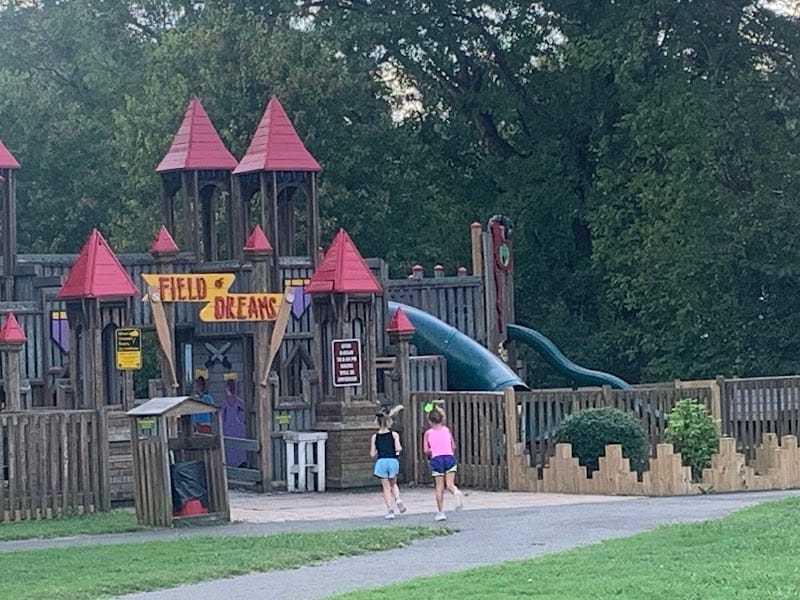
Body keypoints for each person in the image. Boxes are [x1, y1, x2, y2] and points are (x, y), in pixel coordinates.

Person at [423, 405, 464, 521]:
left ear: (430, 421)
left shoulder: (428, 433)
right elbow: (453, 446)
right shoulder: (447, 430)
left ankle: (441, 512)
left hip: (437, 459)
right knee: (450, 484)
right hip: (450, 457)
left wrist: (434, 449)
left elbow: (426, 450)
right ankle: (455, 491)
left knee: (439, 486)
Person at [370, 405, 406, 520]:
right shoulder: (394, 435)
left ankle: (390, 510)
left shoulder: (375, 437)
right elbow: (398, 448)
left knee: (386, 487)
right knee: (393, 483)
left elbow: (372, 453)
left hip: (381, 462)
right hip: (392, 461)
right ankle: (398, 499)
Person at [221, 378, 246, 467]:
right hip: (227, 431)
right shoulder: (224, 404)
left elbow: (245, 411)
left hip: (237, 431)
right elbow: (221, 416)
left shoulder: (239, 403)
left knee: (238, 451)